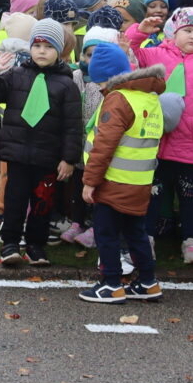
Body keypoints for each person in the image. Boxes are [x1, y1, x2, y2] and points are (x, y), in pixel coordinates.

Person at [0, 18, 83, 267]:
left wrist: (69, 159)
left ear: (59, 50)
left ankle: (36, 245)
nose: (41, 51)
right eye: (37, 46)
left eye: (48, 47)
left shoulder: (67, 85)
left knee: (42, 203)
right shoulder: (16, 75)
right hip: (18, 153)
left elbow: (72, 126)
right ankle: (10, 244)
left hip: (47, 156)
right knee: (14, 200)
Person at [78, 42, 171, 305]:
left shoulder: (118, 99)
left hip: (113, 181)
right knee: (135, 233)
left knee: (105, 233)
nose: (100, 89)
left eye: (100, 83)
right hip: (140, 182)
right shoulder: (149, 98)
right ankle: (148, 282)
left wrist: (90, 182)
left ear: (108, 77)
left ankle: (111, 284)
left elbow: (104, 146)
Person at [139, 7, 193, 265]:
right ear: (175, 32)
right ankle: (147, 236)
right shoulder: (157, 55)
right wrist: (138, 32)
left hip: (189, 143)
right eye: (187, 31)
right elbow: (133, 55)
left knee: (190, 194)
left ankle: (190, 239)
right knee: (153, 192)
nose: (192, 37)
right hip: (157, 140)